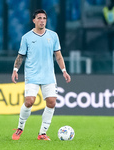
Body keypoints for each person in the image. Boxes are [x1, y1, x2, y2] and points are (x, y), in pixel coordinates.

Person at [11, 9, 71, 141]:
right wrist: (15, 69)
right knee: (29, 101)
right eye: (39, 18)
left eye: (44, 18)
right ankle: (20, 128)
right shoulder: (26, 37)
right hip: (32, 75)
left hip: (48, 75)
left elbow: (58, 55)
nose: (42, 20)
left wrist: (64, 71)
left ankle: (42, 133)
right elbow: (21, 55)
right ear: (34, 20)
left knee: (51, 102)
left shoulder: (53, 35)